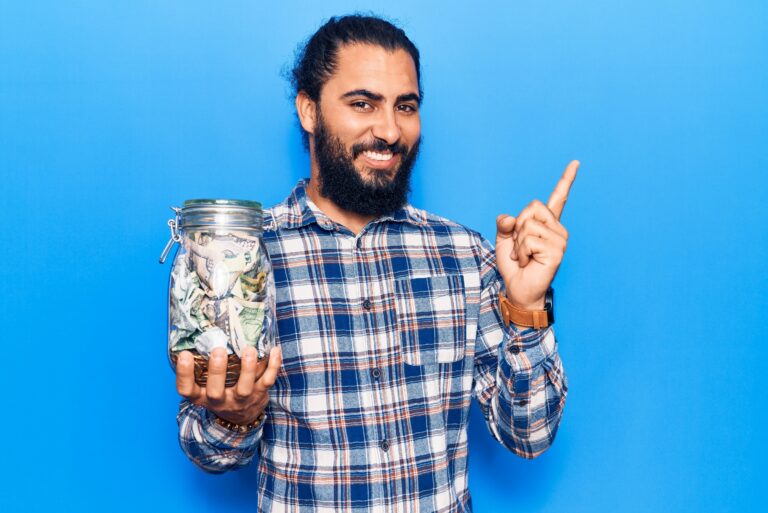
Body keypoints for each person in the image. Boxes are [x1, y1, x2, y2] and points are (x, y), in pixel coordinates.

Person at [175, 14, 576, 512]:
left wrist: (526, 306)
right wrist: (236, 415)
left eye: (405, 107)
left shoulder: (465, 253)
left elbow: (531, 434)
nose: (389, 130)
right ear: (309, 110)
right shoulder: (243, 259)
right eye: (362, 103)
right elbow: (206, 453)